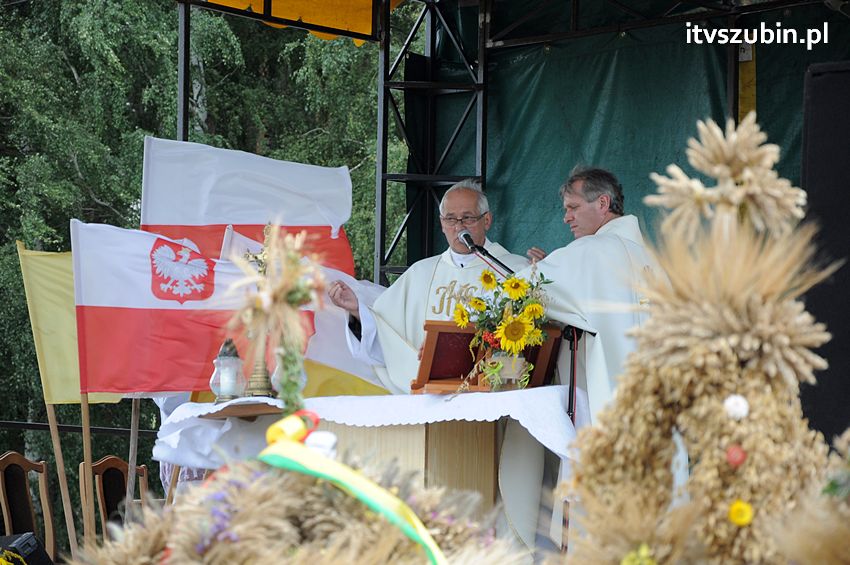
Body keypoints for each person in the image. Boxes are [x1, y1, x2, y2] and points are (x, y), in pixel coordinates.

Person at [328, 179, 529, 394]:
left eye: (468, 218)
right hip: (431, 395)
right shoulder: (420, 273)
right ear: (442, 224)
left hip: (492, 394)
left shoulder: (514, 271)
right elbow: (387, 331)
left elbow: (532, 340)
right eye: (451, 219)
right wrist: (357, 310)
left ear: (486, 220)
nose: (459, 227)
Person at [526, 166, 653, 418]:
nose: (566, 217)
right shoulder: (654, 259)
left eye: (573, 207)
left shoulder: (590, 250)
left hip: (606, 408)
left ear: (603, 203)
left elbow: (520, 290)